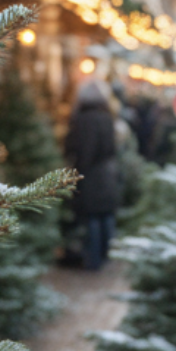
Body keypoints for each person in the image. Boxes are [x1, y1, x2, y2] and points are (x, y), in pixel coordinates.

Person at [64, 79, 120, 270]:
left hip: (92, 175)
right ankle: (105, 255)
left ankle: (94, 260)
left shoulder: (84, 119)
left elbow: (86, 151)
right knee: (105, 215)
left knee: (93, 217)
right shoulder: (107, 116)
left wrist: (77, 173)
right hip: (107, 173)